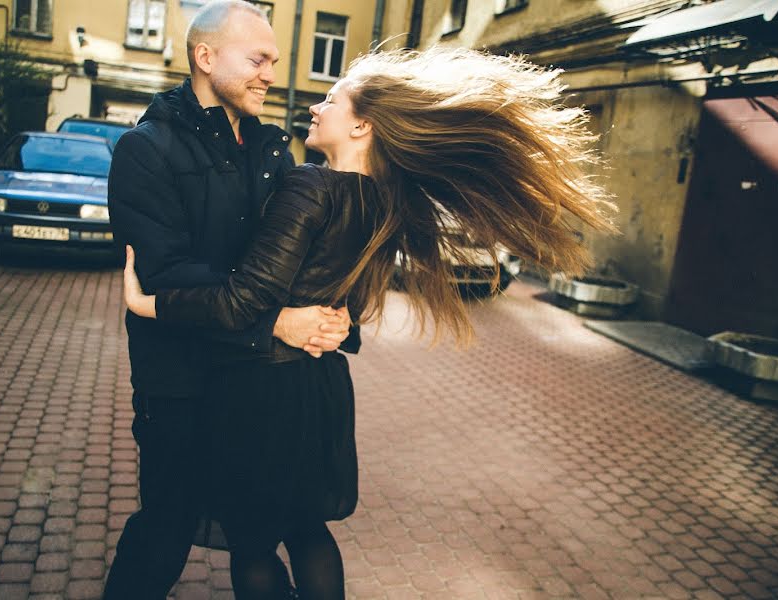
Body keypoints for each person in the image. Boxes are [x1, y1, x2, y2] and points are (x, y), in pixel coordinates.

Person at [123, 46, 617, 598]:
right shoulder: (382, 204)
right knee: (307, 529)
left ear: (361, 124)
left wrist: (153, 304)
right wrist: (334, 323)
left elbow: (245, 299)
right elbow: (345, 305)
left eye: (331, 99)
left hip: (262, 389)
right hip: (322, 385)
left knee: (254, 542)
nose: (315, 106)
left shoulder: (311, 187)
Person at [102, 2, 356, 599]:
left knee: (262, 525)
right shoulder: (146, 150)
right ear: (205, 57)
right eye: (258, 59)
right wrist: (277, 324)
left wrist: (330, 317)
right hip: (181, 380)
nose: (271, 72)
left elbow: (290, 262)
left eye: (273, 60)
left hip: (251, 385)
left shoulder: (271, 151)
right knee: (169, 522)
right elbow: (167, 278)